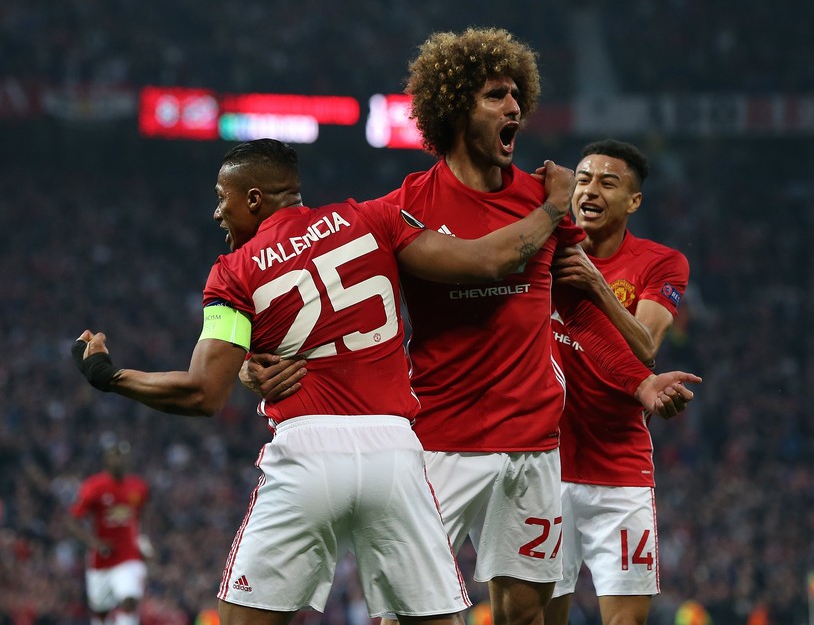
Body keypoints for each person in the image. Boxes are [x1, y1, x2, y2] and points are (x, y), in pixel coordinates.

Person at [243, 28, 701, 625]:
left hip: (535, 445)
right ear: (456, 107)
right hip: (438, 441)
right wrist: (264, 363)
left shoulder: (540, 195)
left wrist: (637, 383)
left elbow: (581, 315)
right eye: (495, 96)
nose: (514, 108)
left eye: (516, 95)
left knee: (527, 612)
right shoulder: (404, 208)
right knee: (407, 615)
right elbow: (339, 305)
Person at [71, 138, 580, 625]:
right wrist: (553, 206)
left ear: (254, 199)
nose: (217, 213)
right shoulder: (371, 217)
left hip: (307, 452)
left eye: (221, 200)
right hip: (396, 451)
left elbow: (202, 393)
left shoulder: (232, 273)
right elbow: (488, 260)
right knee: (435, 619)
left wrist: (112, 376)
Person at [545, 139, 690, 625]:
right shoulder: (542, 253)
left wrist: (593, 283)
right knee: (540, 617)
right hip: (544, 466)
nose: (590, 190)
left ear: (634, 201)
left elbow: (644, 346)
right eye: (583, 179)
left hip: (620, 471)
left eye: (608, 183)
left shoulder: (661, 263)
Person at [67, 439, 150, 625]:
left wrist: (142, 541)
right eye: (115, 456)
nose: (119, 460)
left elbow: (140, 517)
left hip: (129, 555)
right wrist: (94, 543)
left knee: (129, 599)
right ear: (107, 459)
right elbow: (72, 521)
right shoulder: (93, 487)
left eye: (122, 456)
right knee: (100, 611)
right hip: (102, 558)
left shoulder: (139, 487)